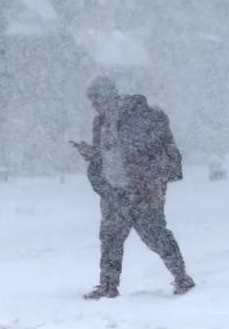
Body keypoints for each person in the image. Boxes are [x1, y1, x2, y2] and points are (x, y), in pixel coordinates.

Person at [71, 76, 194, 299]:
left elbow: (142, 153)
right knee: (110, 238)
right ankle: (108, 285)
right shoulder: (100, 123)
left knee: (154, 234)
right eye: (92, 101)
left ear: (109, 96)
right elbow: (108, 154)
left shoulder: (135, 118)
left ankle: (182, 277)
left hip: (141, 190)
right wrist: (92, 154)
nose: (94, 106)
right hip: (113, 190)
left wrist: (151, 182)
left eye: (96, 100)